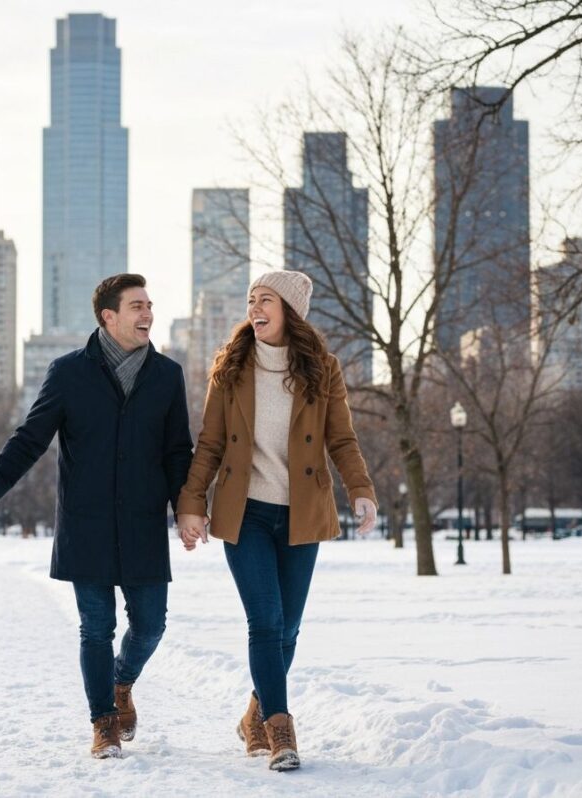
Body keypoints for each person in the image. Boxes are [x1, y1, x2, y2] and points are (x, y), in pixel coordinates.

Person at [0, 274, 192, 759]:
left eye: (150, 305)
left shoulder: (167, 375)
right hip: (86, 524)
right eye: (137, 306)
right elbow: (30, 438)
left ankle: (121, 682)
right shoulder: (68, 372)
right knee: (96, 628)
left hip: (142, 523)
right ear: (108, 317)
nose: (148, 314)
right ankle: (103, 722)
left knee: (151, 625)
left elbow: (179, 450)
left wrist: (188, 507)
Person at [176, 270, 377, 772]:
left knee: (288, 629)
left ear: (290, 309)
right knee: (264, 622)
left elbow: (342, 440)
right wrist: (191, 502)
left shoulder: (321, 369)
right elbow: (211, 444)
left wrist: (361, 490)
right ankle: (279, 730)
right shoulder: (231, 368)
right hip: (246, 515)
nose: (254, 307)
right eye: (251, 299)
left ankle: (254, 715)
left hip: (302, 514)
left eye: (265, 299)